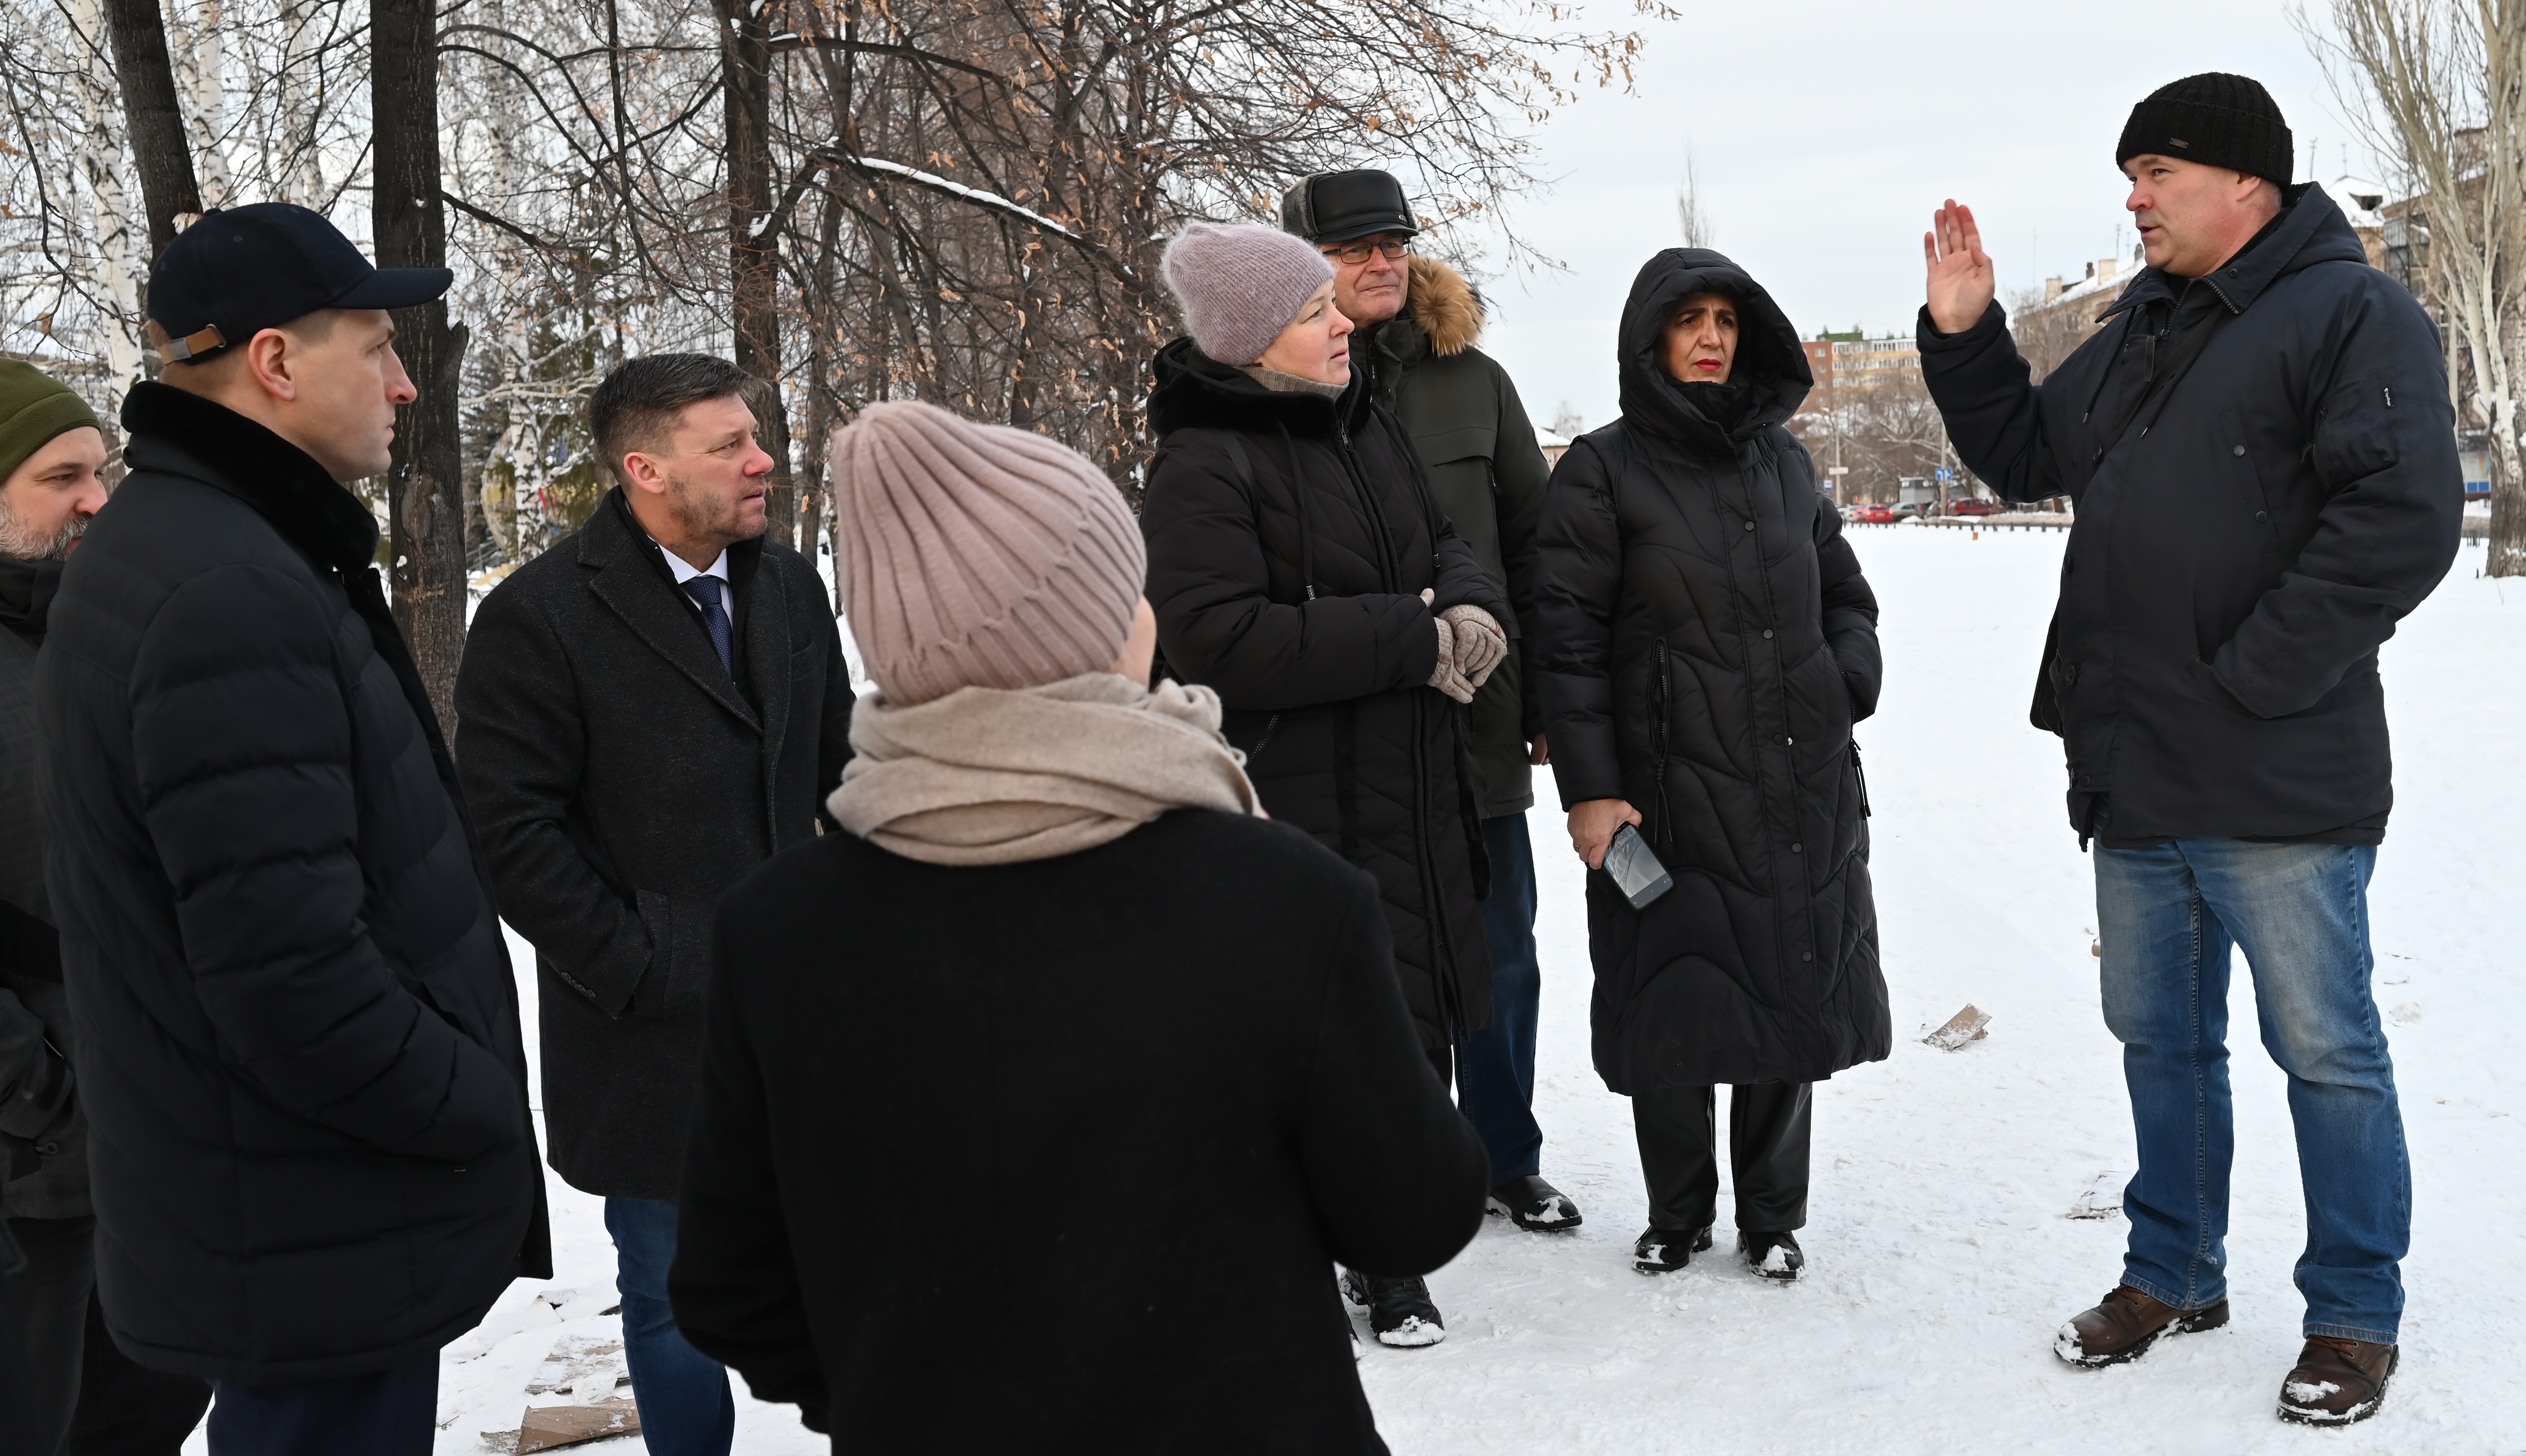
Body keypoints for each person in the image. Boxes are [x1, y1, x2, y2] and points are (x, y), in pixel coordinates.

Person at [668, 400, 1486, 1449]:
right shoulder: (1276, 896)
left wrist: (893, 1387)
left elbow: (732, 1287)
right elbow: (1415, 1211)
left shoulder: (779, 929)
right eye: (1126, 582)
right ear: (1093, 625)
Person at [1915, 74, 2460, 1425]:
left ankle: (2351, 1311)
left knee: (2325, 1049)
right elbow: (2026, 452)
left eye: (2156, 172)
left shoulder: (2350, 312)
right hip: (2134, 761)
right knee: (2159, 1039)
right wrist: (1968, 331)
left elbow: (2400, 518)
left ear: (2248, 189)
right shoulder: (2146, 321)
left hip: (2274, 767)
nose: (2134, 197)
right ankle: (2173, 1269)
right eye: (2130, 174)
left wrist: (2255, 678)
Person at [34, 204, 547, 1454]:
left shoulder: (202, 543)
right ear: (274, 362)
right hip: (310, 1229)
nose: (404, 379)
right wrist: (475, 1099)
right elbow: (293, 983)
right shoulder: (225, 590)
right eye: (374, 343)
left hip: (284, 1214)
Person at [456, 354, 853, 1456]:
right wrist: (652, 963)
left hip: (808, 1009)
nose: (761, 457)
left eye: (755, 433)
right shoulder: (538, 620)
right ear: (644, 469)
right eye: (728, 444)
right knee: (671, 1287)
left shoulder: (785, 584)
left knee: (849, 1257)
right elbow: (511, 836)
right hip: (650, 1033)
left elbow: (839, 767)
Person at [1138, 221, 1508, 1346]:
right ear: (1254, 342)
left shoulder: (1369, 427)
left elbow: (1448, 545)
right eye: (1313, 314)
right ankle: (1361, 1261)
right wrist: (1413, 637)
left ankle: (1392, 1230)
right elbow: (1214, 641)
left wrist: (1473, 609)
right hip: (1300, 809)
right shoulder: (1204, 464)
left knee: (1416, 1023)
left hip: (1413, 787)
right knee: (1319, 1042)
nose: (1343, 321)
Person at [1535, 250, 1888, 1284]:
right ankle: (1675, 1212)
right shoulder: (1600, 470)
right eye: (1689, 318)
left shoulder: (1782, 462)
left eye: (1726, 318)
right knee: (1672, 996)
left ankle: (1773, 1216)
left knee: (1788, 990)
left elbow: (1845, 595)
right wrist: (1593, 792)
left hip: (1795, 777)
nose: (1711, 337)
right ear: (1651, 336)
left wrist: (1842, 680)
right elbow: (1566, 643)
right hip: (1664, 786)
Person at [1281, 170, 1577, 1234]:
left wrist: (1541, 694)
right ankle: (1385, 1169)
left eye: (1393, 242)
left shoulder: (1474, 383)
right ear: (1302, 264)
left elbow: (1538, 546)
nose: (1380, 261)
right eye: (1353, 246)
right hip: (1337, 745)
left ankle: (1503, 1157)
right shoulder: (1276, 386)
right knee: (1360, 968)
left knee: (1500, 952)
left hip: (1477, 733)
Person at [0, 362, 212, 1455]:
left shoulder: (105, 630)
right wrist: (42, 1095)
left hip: (153, 1146)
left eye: (103, 472)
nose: (97, 499)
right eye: (62, 477)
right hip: (29, 1178)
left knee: (151, 1414)